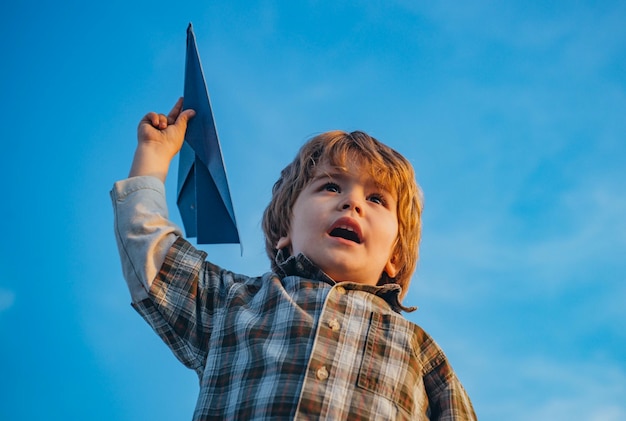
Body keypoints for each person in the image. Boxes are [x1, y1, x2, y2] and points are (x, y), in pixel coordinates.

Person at [111, 98, 477, 420]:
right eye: (330, 186)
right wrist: (153, 156)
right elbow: (152, 254)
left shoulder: (421, 353)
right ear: (285, 230)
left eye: (377, 199)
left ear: (394, 256)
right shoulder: (232, 304)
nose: (352, 203)